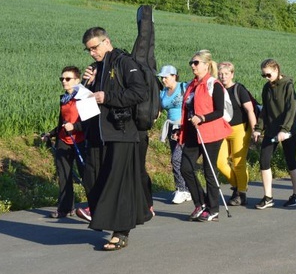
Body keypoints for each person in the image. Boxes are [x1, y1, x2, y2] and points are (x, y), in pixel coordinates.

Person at [81, 27, 150, 250]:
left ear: (106, 41)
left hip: (122, 132)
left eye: (94, 47)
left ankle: (121, 232)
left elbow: (140, 92)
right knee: (92, 178)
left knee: (117, 184)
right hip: (99, 134)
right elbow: (89, 101)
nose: (92, 53)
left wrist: (107, 96)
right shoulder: (98, 68)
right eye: (88, 50)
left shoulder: (124, 62)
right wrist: (87, 85)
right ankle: (104, 218)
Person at [179, 50, 232, 222]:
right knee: (185, 167)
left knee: (209, 171)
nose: (192, 66)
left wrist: (202, 118)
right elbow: (187, 109)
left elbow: (219, 111)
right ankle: (200, 203)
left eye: (196, 63)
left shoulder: (213, 84)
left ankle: (213, 209)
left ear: (206, 64)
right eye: (191, 63)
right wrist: (180, 129)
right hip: (194, 133)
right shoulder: (191, 85)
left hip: (211, 132)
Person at [252, 59, 296, 209]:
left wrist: (285, 130)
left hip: (287, 130)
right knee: (264, 161)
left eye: (268, 74)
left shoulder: (288, 85)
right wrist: (258, 128)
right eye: (263, 75)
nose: (266, 78)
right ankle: (268, 197)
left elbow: (291, 109)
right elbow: (265, 110)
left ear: (276, 70)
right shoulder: (266, 88)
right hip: (271, 129)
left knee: (291, 161)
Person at [42, 66, 86, 219]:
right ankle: (65, 208)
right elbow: (62, 122)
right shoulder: (64, 99)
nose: (64, 81)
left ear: (77, 80)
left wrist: (75, 127)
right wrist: (51, 134)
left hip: (81, 141)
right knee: (64, 175)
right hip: (64, 140)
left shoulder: (84, 97)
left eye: (68, 79)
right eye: (62, 79)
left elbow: (89, 123)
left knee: (86, 175)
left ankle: (95, 207)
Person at [216, 62, 258, 206]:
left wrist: (254, 129)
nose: (223, 76)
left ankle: (241, 194)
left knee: (238, 163)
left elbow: (250, 110)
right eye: (221, 74)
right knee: (219, 162)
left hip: (239, 129)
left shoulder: (239, 89)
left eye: (226, 74)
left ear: (232, 74)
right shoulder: (217, 89)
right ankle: (238, 186)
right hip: (222, 130)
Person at [158, 65, 191, 204]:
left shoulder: (184, 87)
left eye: (166, 77)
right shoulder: (163, 92)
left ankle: (181, 189)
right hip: (171, 128)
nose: (163, 79)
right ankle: (187, 189)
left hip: (184, 127)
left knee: (176, 159)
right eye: (162, 77)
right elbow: (158, 110)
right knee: (177, 158)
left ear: (174, 76)